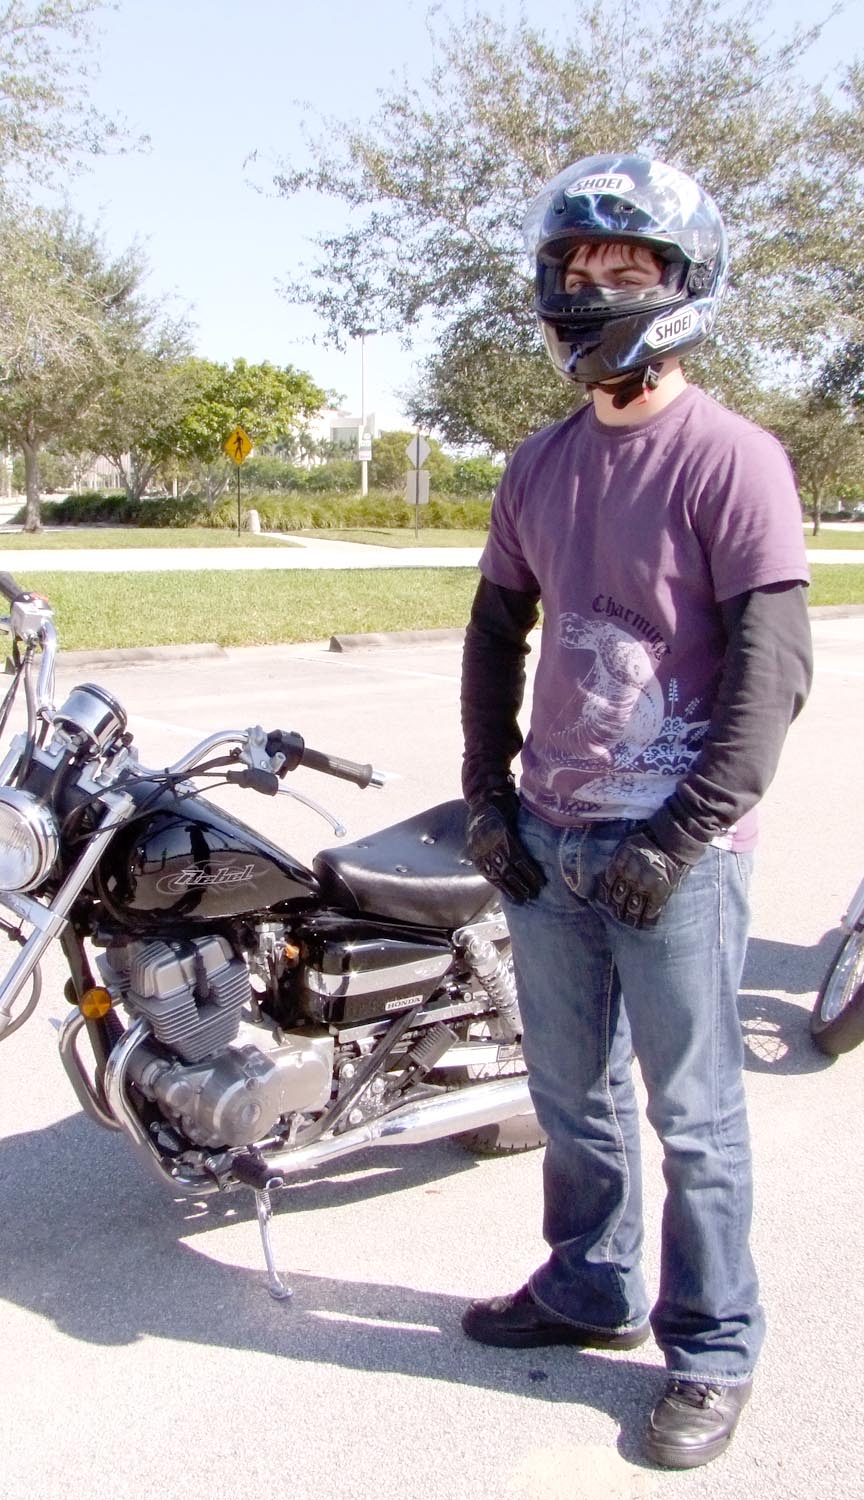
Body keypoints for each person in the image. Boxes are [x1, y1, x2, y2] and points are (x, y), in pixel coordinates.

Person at [458, 153, 813, 1471]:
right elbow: (495, 632)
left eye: (625, 268)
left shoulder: (734, 460)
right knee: (572, 1094)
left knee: (696, 1118)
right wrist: (487, 794)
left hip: (680, 853)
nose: (592, 287)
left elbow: (774, 672)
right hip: (549, 838)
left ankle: (713, 1347)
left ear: (680, 286)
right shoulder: (541, 465)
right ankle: (587, 1283)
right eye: (575, 266)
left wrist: (681, 834)